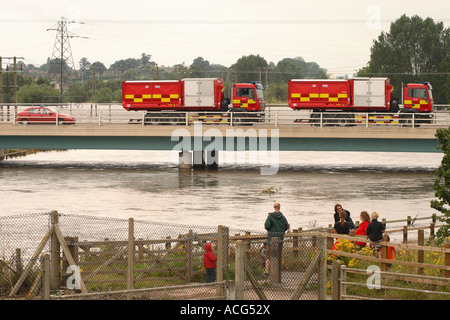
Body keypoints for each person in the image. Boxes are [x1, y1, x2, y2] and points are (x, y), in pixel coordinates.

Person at [264, 202, 289, 277]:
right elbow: (286, 227)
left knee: (268, 256)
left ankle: (267, 271)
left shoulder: (270, 216)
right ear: (279, 207)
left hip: (270, 239)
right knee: (278, 255)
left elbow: (267, 226)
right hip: (280, 239)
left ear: (273, 207)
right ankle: (277, 273)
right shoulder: (283, 217)